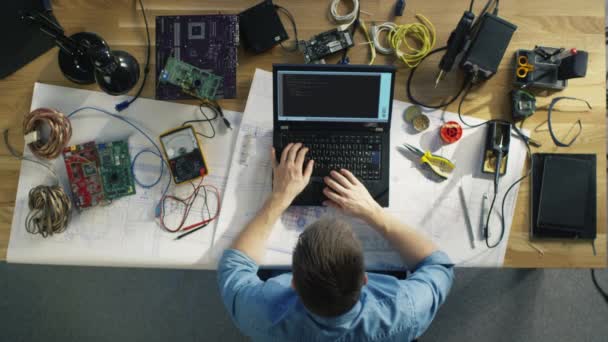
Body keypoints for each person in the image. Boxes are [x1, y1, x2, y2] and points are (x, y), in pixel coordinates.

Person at [217, 143, 455, 341]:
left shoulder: (258, 316)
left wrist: (279, 197)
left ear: (294, 283)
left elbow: (234, 266)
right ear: (364, 279)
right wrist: (373, 212)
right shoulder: (406, 311)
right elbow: (437, 266)